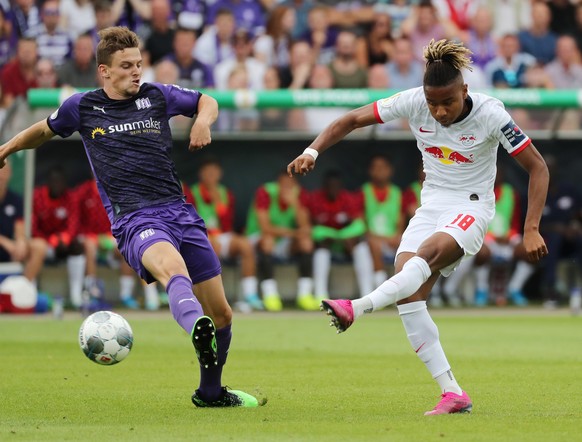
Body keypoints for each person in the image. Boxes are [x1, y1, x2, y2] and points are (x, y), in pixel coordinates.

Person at [287, 39, 549, 415]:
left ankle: (356, 307)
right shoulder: (412, 100)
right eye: (432, 104)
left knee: (422, 258)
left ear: (465, 90)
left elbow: (538, 167)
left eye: (448, 102)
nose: (439, 111)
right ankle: (452, 393)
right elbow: (350, 120)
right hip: (431, 206)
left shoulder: (493, 115)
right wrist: (311, 150)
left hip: (471, 207)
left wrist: (531, 227)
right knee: (409, 292)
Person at [0, 26, 258, 408]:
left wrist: (203, 120)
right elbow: (43, 131)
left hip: (180, 212)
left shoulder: (157, 96)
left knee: (221, 312)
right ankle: (194, 328)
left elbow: (207, 101)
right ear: (104, 71)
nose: (136, 71)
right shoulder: (82, 107)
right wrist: (5, 148)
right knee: (174, 271)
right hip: (136, 219)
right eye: (126, 66)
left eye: (138, 64)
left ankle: (210, 392)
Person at [189, 156, 263, 311]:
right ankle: (210, 298)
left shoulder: (225, 193)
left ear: (219, 174)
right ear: (201, 174)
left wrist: (217, 202)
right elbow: (189, 221)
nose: (211, 175)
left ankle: (250, 296)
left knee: (245, 244)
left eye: (214, 172)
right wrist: (207, 235)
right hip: (200, 236)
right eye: (207, 172)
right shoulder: (192, 192)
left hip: (222, 235)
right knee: (210, 245)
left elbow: (228, 223)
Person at [246, 170, 315, 311]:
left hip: (284, 241)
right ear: (277, 184)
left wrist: (295, 204)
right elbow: (265, 228)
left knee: (306, 243)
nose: (286, 189)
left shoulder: (299, 194)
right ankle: (270, 295)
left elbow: (306, 227)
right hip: (257, 239)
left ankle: (304, 295)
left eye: (290, 185)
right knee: (268, 241)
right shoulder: (265, 192)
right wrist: (294, 233)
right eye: (283, 185)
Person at [310, 170, 373, 303]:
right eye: (330, 186)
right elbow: (313, 228)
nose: (333, 189)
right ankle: (320, 296)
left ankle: (367, 294)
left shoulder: (348, 199)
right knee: (321, 247)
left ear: (341, 186)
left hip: (347, 243)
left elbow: (360, 225)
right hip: (327, 243)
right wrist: (332, 235)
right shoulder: (316, 199)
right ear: (324, 186)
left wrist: (344, 236)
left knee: (361, 246)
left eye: (336, 186)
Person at [32, 166, 86, 308]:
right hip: (45, 244)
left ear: (64, 183)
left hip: (64, 243)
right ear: (48, 182)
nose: (57, 185)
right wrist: (51, 241)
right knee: (35, 247)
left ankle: (76, 297)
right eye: (54, 181)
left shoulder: (70, 197)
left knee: (78, 247)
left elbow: (73, 224)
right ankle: (31, 296)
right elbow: (33, 228)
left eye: (60, 182)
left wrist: (64, 239)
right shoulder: (37, 196)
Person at [360, 155, 404, 288]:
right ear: (370, 171)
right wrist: (375, 238)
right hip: (372, 240)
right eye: (376, 168)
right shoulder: (363, 192)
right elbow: (361, 222)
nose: (379, 171)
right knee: (371, 245)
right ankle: (381, 286)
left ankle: (405, 290)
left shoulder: (397, 192)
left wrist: (397, 236)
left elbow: (400, 220)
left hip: (392, 241)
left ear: (390, 170)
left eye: (383, 168)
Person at [0, 159, 47, 284]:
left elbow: (19, 226)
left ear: (10, 173)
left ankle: (22, 287)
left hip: (10, 250)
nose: (2, 174)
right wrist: (5, 243)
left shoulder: (15, 199)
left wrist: (20, 241)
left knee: (39, 246)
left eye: (4, 170)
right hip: (6, 245)